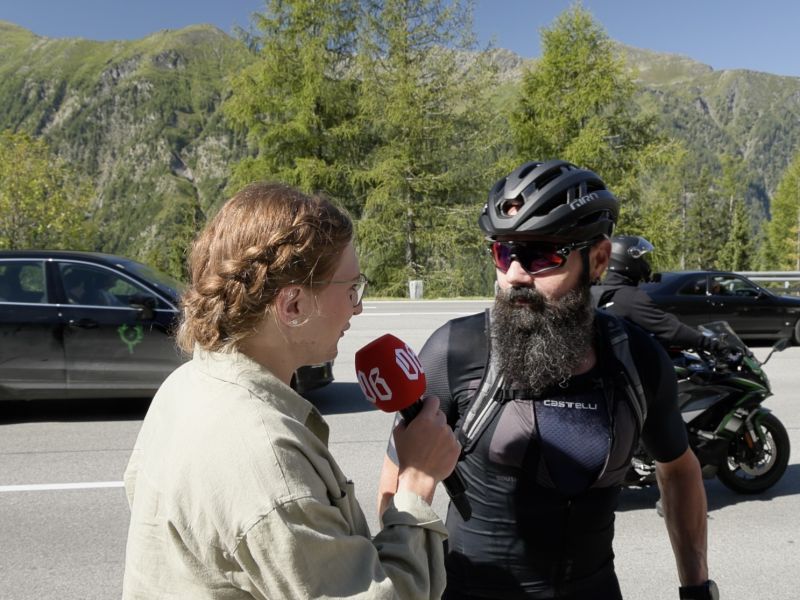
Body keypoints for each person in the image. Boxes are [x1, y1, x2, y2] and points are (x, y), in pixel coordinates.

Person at [377, 160, 716, 600]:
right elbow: (397, 476)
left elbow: (680, 470)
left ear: (597, 259)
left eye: (541, 254)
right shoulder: (456, 351)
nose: (514, 275)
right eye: (503, 253)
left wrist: (696, 588)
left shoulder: (637, 359)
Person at [122, 182, 461, 599]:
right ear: (293, 305)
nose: (358, 307)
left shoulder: (184, 386)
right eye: (351, 289)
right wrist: (416, 482)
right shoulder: (266, 458)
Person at [591, 235, 732, 355]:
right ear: (628, 260)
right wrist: (713, 344)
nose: (645, 264)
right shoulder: (631, 297)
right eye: (642, 259)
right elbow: (673, 330)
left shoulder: (598, 291)